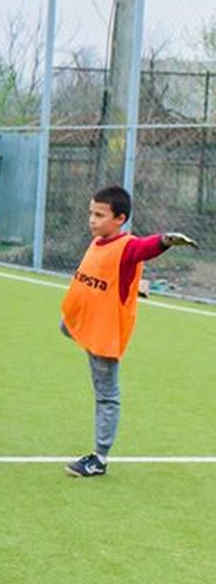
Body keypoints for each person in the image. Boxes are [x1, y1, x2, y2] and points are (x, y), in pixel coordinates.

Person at [58, 186, 198, 478]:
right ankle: (75, 327)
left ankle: (99, 458)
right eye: (91, 213)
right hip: (84, 321)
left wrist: (164, 240)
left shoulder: (126, 247)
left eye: (100, 215)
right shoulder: (99, 242)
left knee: (106, 395)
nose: (92, 220)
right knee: (66, 326)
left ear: (120, 219)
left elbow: (143, 247)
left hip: (104, 334)